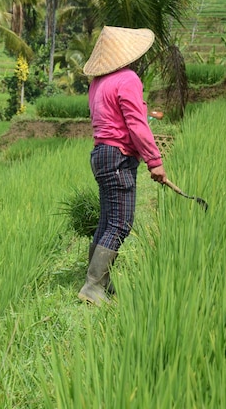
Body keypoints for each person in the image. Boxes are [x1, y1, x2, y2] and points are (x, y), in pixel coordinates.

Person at [78, 26, 167, 305]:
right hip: (117, 156)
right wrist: (155, 161)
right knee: (121, 222)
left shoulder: (97, 82)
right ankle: (92, 286)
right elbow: (137, 125)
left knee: (108, 219)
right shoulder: (127, 78)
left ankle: (99, 281)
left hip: (101, 154)